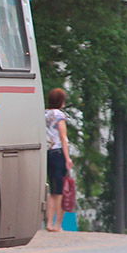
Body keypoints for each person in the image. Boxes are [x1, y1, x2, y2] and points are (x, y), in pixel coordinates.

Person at [44, 87, 73, 232]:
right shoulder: (59, 116)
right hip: (58, 153)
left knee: (52, 190)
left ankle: (48, 223)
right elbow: (63, 137)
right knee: (61, 190)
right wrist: (67, 158)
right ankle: (57, 224)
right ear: (61, 102)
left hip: (47, 153)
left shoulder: (44, 114)